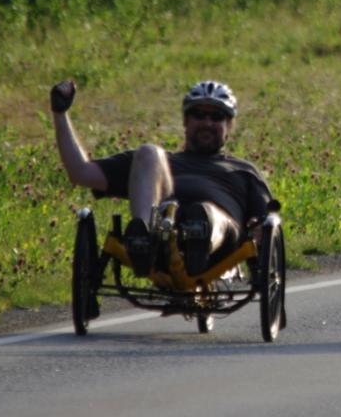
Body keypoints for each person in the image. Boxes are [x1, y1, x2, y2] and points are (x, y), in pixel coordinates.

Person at [50, 79, 275, 276]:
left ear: (229, 126)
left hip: (220, 242)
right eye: (198, 114)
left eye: (216, 117)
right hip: (164, 230)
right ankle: (144, 238)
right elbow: (80, 172)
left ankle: (200, 234)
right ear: (186, 121)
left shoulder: (244, 170)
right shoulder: (160, 163)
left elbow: (267, 222)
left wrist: (257, 229)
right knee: (148, 151)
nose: (207, 122)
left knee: (207, 213)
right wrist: (60, 113)